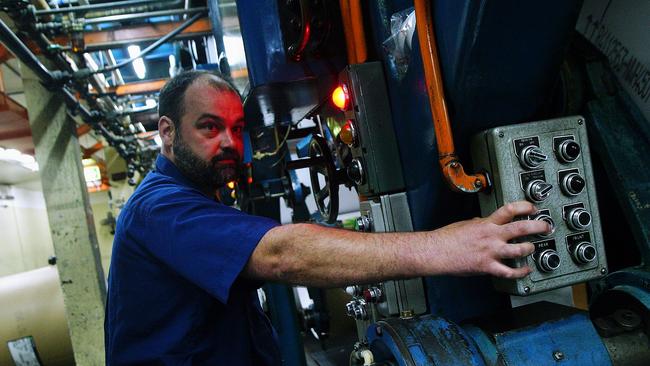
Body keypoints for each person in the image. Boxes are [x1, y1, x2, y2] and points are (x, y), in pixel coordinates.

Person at [105, 70, 549, 365]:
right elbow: (280, 253)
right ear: (167, 132)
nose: (228, 143)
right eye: (209, 127)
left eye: (237, 129)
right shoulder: (158, 208)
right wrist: (445, 245)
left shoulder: (196, 199)